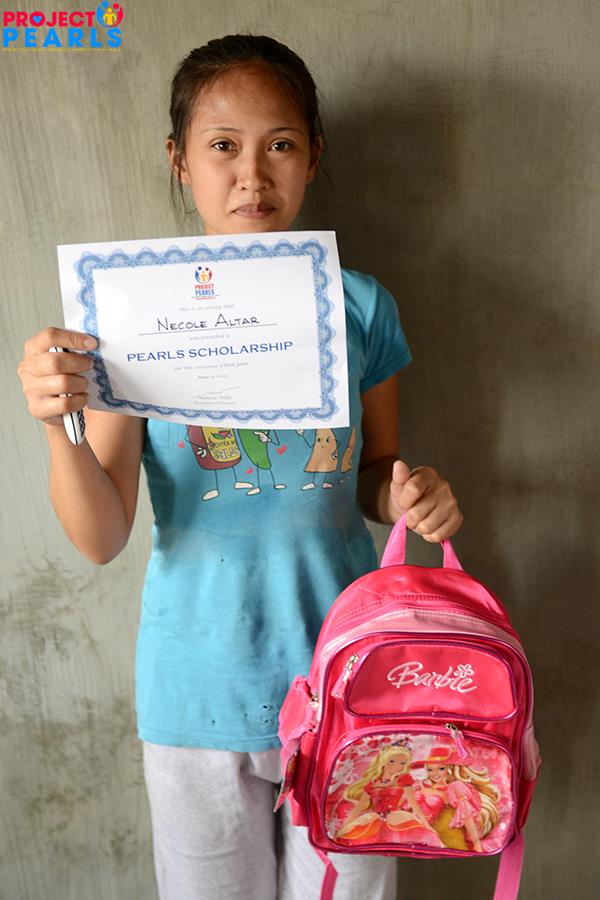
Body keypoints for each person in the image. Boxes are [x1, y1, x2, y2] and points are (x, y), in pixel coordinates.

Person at [17, 34, 462, 900]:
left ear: (313, 156)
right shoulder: (129, 316)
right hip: (198, 690)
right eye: (222, 145)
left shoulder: (360, 306)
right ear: (179, 161)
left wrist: (410, 492)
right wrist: (57, 425)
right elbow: (101, 537)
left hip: (347, 680)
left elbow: (373, 473)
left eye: (279, 144)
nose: (251, 174)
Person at [334, 745, 442, 847]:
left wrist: (426, 825)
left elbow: (414, 805)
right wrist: (344, 828)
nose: (397, 766)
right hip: (374, 820)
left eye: (402, 763)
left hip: (396, 818)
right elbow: (357, 810)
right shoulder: (373, 783)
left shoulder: (403, 779)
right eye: (392, 761)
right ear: (383, 762)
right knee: (357, 839)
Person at [414, 746, 500, 852]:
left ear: (449, 769)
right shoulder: (421, 786)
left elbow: (467, 816)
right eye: (430, 769)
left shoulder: (454, 788)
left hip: (450, 834)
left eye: (441, 768)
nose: (435, 773)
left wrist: (476, 843)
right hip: (427, 838)